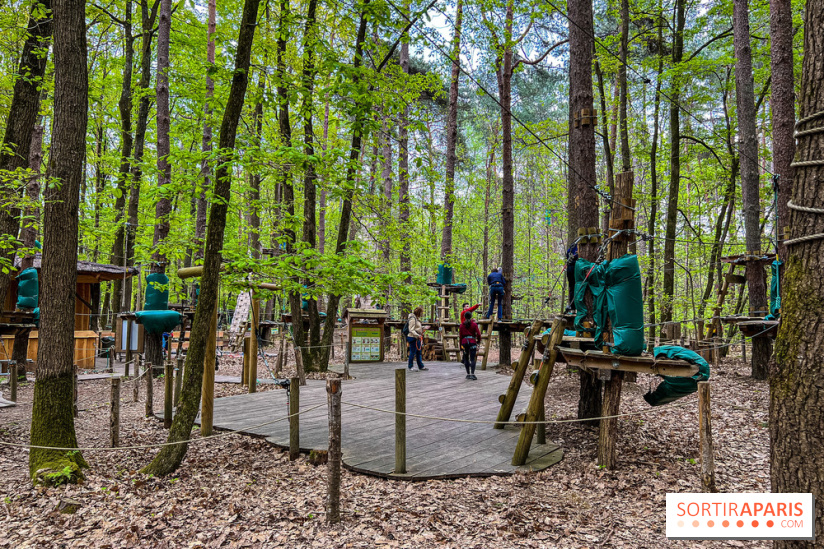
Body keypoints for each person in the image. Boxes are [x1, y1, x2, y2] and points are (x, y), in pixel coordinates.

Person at [459, 311, 481, 380]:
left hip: (464, 343)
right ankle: (472, 374)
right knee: (472, 358)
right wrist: (478, 341)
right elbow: (478, 334)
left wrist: (460, 346)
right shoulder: (474, 325)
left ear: (464, 317)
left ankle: (468, 374)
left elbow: (460, 336)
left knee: (466, 358)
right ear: (471, 316)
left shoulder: (462, 325)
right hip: (472, 342)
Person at [406, 306, 429, 371]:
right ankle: (410, 366)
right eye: (421, 313)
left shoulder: (417, 319)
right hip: (412, 337)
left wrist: (424, 327)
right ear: (419, 313)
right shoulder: (412, 319)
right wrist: (417, 335)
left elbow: (417, 328)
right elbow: (411, 329)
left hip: (417, 337)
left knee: (419, 352)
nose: (422, 314)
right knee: (412, 352)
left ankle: (421, 366)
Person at [565, 244, 578, 314]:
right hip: (574, 269)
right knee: (575, 287)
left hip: (570, 268)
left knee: (572, 288)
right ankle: (573, 307)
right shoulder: (576, 247)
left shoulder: (571, 247)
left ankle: (572, 307)